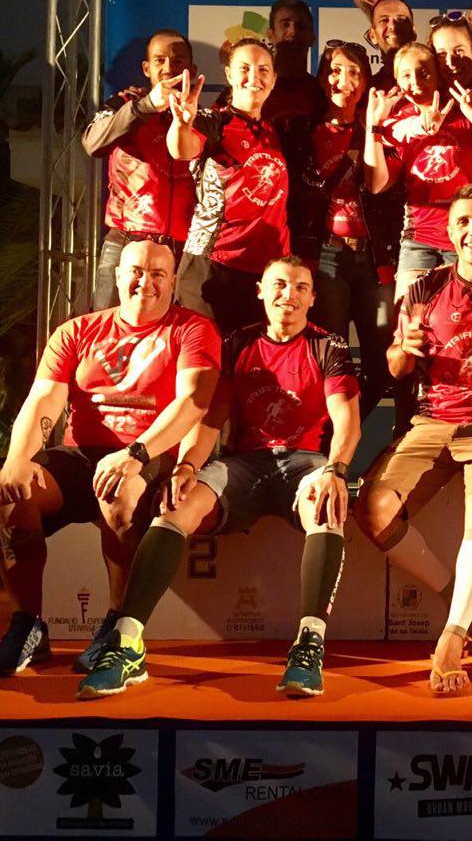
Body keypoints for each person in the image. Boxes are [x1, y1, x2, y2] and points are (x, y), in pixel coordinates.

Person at [76, 256, 361, 699]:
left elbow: (347, 422)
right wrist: (187, 467)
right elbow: (210, 420)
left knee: (325, 505)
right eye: (279, 284)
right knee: (175, 507)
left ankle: (309, 645)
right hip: (244, 464)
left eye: (301, 287)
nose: (289, 294)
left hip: (305, 461)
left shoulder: (329, 346)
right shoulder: (236, 343)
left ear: (312, 298)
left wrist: (335, 470)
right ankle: (127, 643)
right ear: (260, 292)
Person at [0, 240, 220, 677]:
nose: (145, 282)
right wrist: (17, 459)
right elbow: (42, 400)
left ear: (173, 281)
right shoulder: (76, 331)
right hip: (81, 453)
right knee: (9, 490)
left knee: (120, 489)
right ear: (117, 274)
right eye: (136, 271)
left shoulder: (192, 330)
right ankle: (28, 625)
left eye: (157, 274)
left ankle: (116, 624)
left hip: (149, 451)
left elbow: (192, 403)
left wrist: (135, 453)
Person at [353, 186, 472, 693]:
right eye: (464, 222)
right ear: (449, 232)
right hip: (431, 420)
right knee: (373, 510)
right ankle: (458, 598)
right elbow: (395, 366)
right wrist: (403, 351)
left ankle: (450, 641)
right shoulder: (424, 288)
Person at [283, 41, 398, 418]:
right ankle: (328, 441)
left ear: (366, 82)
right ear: (321, 78)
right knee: (329, 360)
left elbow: (379, 186)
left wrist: (373, 127)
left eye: (354, 72)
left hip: (375, 259)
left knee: (384, 364)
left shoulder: (379, 128)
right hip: (327, 257)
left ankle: (346, 432)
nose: (343, 80)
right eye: (334, 71)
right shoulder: (300, 130)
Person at [172, 41, 292, 334]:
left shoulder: (277, 131)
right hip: (213, 267)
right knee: (205, 358)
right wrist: (182, 126)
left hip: (264, 274)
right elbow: (183, 150)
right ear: (228, 74)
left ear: (274, 79)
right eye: (244, 68)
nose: (254, 77)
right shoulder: (214, 122)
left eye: (263, 69)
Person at [82, 29, 197, 309]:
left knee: (172, 334)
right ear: (146, 68)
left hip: (181, 251)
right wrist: (146, 106)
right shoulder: (125, 104)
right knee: (110, 330)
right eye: (159, 60)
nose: (169, 67)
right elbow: (92, 143)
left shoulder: (200, 116)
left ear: (191, 70)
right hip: (126, 242)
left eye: (178, 60)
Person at [367, 43, 472, 302]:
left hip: (464, 238)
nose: (416, 82)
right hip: (419, 238)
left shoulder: (464, 112)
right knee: (407, 317)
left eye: (424, 73)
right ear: (397, 81)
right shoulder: (397, 121)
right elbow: (377, 182)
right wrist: (374, 126)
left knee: (459, 316)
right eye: (406, 75)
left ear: (438, 75)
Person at [261, 0, 327, 124]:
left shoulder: (324, 94)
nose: (293, 31)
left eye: (301, 26)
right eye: (285, 24)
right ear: (270, 35)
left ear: (312, 37)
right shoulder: (255, 88)